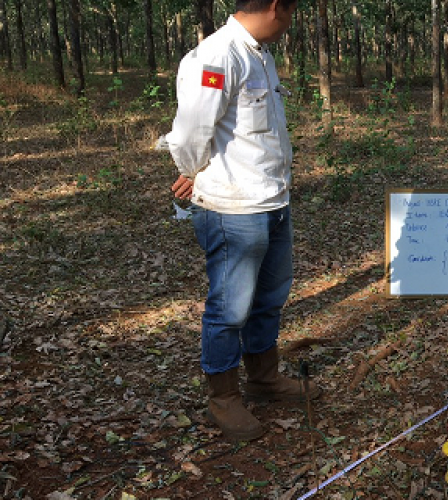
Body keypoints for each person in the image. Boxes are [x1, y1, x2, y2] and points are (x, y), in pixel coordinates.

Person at [166, 0, 320, 442]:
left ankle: (264, 377)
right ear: (275, 7)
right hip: (233, 209)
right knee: (229, 308)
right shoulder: (218, 55)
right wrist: (194, 174)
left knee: (270, 297)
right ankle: (223, 397)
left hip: (272, 201)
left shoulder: (260, 56)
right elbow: (192, 131)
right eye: (289, 13)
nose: (289, 24)